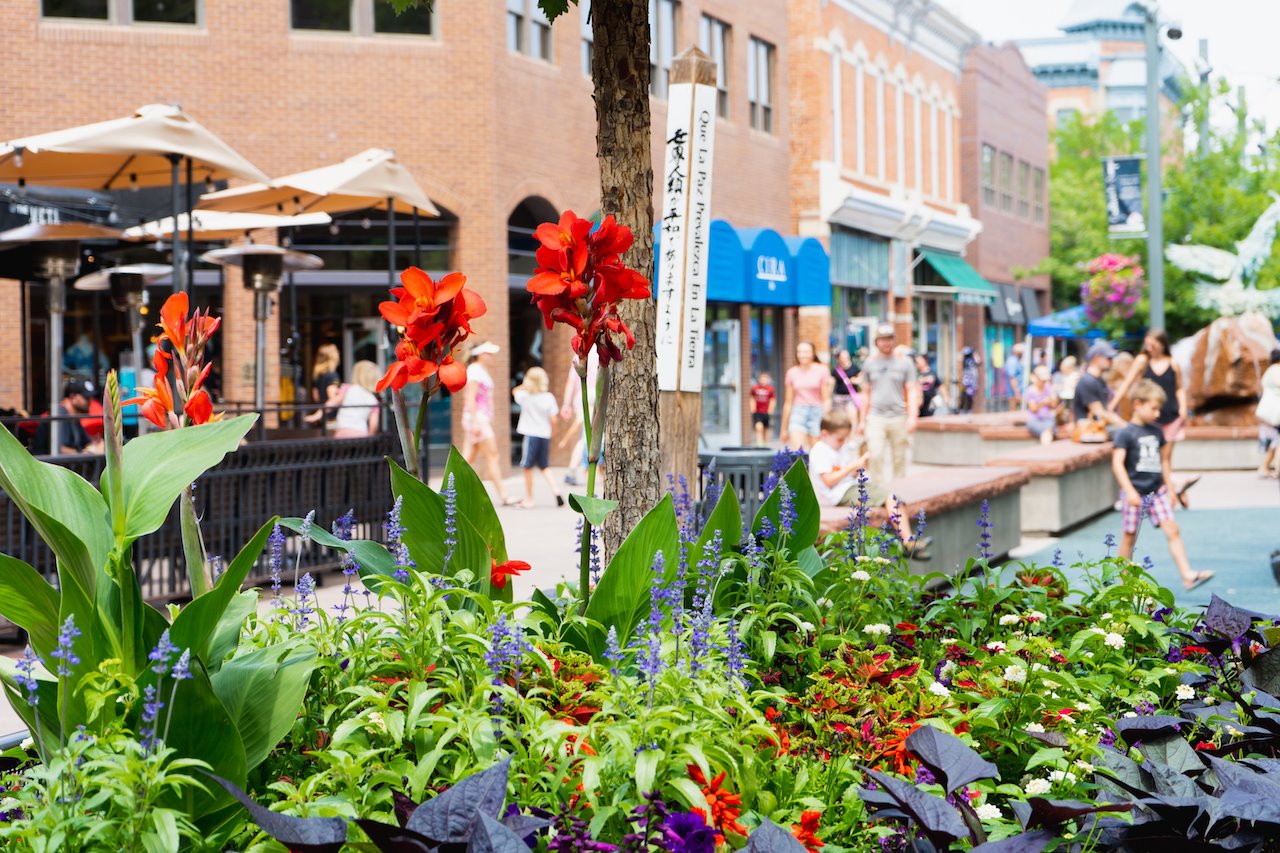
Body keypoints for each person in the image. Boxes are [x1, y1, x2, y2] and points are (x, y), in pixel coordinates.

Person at [1112, 379, 1213, 591]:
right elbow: (1117, 464)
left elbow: (1164, 462)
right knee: (1129, 537)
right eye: (1154, 408)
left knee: (1172, 529)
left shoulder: (1157, 432)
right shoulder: (1125, 433)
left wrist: (1172, 490)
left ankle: (1187, 575)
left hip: (1156, 491)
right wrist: (1129, 490)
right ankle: (1123, 582)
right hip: (1135, 491)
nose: (1158, 414)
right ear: (1138, 404)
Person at [807, 409, 930, 559]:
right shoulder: (819, 451)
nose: (842, 443)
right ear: (825, 434)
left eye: (844, 439)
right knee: (891, 499)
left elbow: (847, 472)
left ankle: (908, 542)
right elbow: (828, 480)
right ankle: (908, 543)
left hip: (850, 486)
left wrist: (859, 466)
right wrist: (852, 466)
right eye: (839, 439)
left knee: (892, 499)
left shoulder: (840, 448)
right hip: (838, 493)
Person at [1109, 330, 1198, 506]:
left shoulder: (1172, 363)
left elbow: (1179, 387)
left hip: (1170, 416)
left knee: (1165, 458)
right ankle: (1175, 488)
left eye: (1153, 344)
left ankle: (1171, 490)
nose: (1149, 347)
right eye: (1147, 343)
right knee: (1150, 457)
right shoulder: (1143, 361)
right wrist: (1113, 404)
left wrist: (1182, 407)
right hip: (1150, 418)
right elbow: (1128, 382)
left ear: (1161, 343)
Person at [862, 324, 919, 486]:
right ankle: (879, 492)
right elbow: (865, 393)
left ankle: (898, 492)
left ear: (894, 340)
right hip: (875, 416)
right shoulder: (869, 363)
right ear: (876, 342)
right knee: (875, 454)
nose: (886, 343)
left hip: (898, 416)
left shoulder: (905, 362)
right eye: (882, 339)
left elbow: (912, 390)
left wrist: (913, 417)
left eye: (889, 339)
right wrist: (861, 420)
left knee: (899, 457)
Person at [463, 341, 517, 506]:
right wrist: (476, 423)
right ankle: (503, 495)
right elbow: (470, 397)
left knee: (467, 459)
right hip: (478, 419)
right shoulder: (475, 371)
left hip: (479, 419)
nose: (491, 357)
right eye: (488, 353)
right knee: (492, 456)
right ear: (479, 354)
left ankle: (447, 491)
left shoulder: (480, 370)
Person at [513, 366, 564, 508]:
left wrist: (526, 384)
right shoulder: (549, 397)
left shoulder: (525, 397)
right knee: (544, 465)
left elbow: (515, 391)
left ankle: (529, 499)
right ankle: (556, 491)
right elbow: (553, 418)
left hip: (531, 435)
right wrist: (553, 432)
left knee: (527, 467)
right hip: (544, 434)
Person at [780, 341, 831, 451]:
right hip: (798, 413)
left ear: (813, 353)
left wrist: (826, 420)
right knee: (798, 455)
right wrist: (783, 429)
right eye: (800, 352)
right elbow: (788, 402)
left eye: (806, 351)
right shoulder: (791, 373)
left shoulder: (822, 370)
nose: (803, 355)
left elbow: (826, 399)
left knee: (816, 454)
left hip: (817, 413)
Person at [1072, 341, 1127, 441]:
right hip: (1089, 431)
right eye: (1109, 358)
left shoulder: (1099, 380)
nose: (1111, 361)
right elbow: (1098, 411)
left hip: (1099, 428)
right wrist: (1125, 425)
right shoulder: (1088, 381)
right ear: (1097, 357)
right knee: (1126, 434)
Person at [34, 378, 103, 456]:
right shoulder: (60, 414)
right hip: (46, 466)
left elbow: (87, 442)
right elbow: (60, 450)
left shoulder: (74, 418)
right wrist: (86, 453)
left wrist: (97, 444)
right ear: (73, 397)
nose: (90, 401)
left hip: (61, 466)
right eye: (86, 398)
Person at [317, 360, 381, 438]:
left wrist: (317, 414)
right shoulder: (374, 400)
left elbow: (332, 403)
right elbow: (373, 426)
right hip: (361, 433)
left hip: (342, 431)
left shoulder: (348, 388)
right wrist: (370, 437)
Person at [1256, 348, 1280, 479]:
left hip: (1267, 411)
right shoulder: (1277, 370)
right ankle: (1277, 469)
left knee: (1277, 440)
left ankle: (1264, 467)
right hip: (1276, 412)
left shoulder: (1268, 371)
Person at [1024, 365, 1059, 445]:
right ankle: (1046, 449)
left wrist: (1053, 400)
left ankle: (1046, 449)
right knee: (1047, 432)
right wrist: (1044, 402)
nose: (1043, 382)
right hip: (1035, 420)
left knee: (1048, 430)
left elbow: (1054, 406)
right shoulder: (1030, 390)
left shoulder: (1048, 388)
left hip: (1048, 420)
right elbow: (1033, 409)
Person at [310, 343, 343, 422]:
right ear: (332, 356)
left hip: (322, 416)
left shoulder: (317, 375)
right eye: (336, 352)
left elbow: (316, 397)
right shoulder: (332, 375)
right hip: (332, 417)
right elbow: (333, 398)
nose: (338, 353)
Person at [830, 349, 862, 428]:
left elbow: (862, 378)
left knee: (852, 417)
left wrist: (854, 381)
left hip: (851, 397)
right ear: (838, 358)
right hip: (839, 397)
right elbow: (831, 383)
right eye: (843, 357)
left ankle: (852, 437)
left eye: (846, 357)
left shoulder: (854, 368)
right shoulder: (836, 370)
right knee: (840, 419)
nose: (845, 359)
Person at [914, 353, 950, 417]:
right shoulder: (916, 375)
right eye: (916, 362)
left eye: (918, 361)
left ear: (924, 361)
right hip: (920, 405)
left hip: (931, 404)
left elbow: (941, 386)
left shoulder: (932, 373)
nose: (917, 363)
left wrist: (946, 399)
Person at [749, 371, 777, 446]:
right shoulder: (755, 388)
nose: (763, 380)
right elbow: (752, 398)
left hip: (766, 412)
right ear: (759, 379)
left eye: (765, 379)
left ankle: (766, 443)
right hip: (757, 412)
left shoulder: (770, 389)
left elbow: (772, 400)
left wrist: (771, 410)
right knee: (758, 426)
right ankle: (759, 442)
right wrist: (752, 408)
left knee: (766, 427)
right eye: (762, 379)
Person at [1053, 355, 1080, 423]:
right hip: (1067, 395)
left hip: (1072, 396)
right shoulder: (1066, 376)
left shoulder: (1075, 376)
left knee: (1070, 410)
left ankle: (1070, 423)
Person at [959, 347, 981, 413]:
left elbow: (979, 361)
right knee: (963, 395)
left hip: (971, 382)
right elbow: (959, 358)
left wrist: (975, 353)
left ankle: (968, 410)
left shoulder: (972, 361)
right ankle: (962, 409)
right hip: (965, 381)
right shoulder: (964, 361)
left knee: (969, 396)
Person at [1005, 342, 1026, 408]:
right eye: (1021, 352)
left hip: (1019, 392)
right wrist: (1016, 393)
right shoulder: (1012, 361)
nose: (1023, 353)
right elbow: (1012, 378)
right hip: (1014, 394)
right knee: (1013, 413)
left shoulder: (1018, 360)